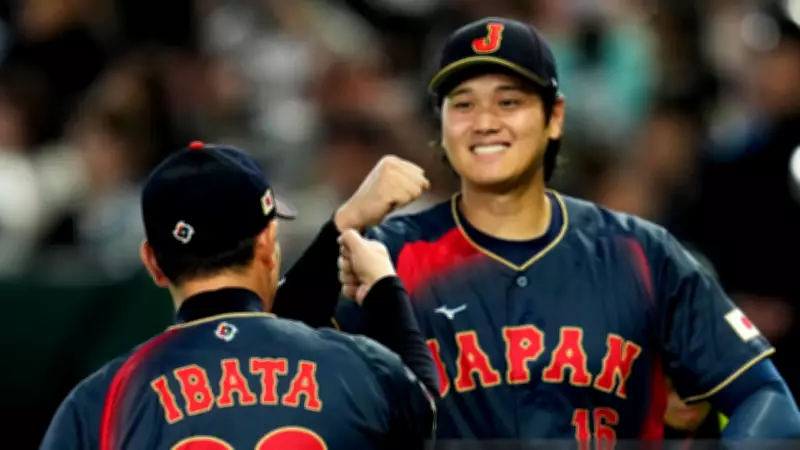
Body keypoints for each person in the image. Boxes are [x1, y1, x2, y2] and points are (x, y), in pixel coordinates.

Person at [280, 17, 800, 443]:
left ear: (554, 117)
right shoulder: (390, 254)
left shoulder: (639, 253)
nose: (485, 121)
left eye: (509, 101)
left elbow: (767, 398)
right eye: (463, 103)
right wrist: (344, 224)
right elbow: (261, 354)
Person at [39, 142, 436, 450]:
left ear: (153, 263)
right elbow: (428, 411)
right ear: (268, 243)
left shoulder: (102, 401)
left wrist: (341, 226)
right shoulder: (356, 366)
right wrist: (384, 289)